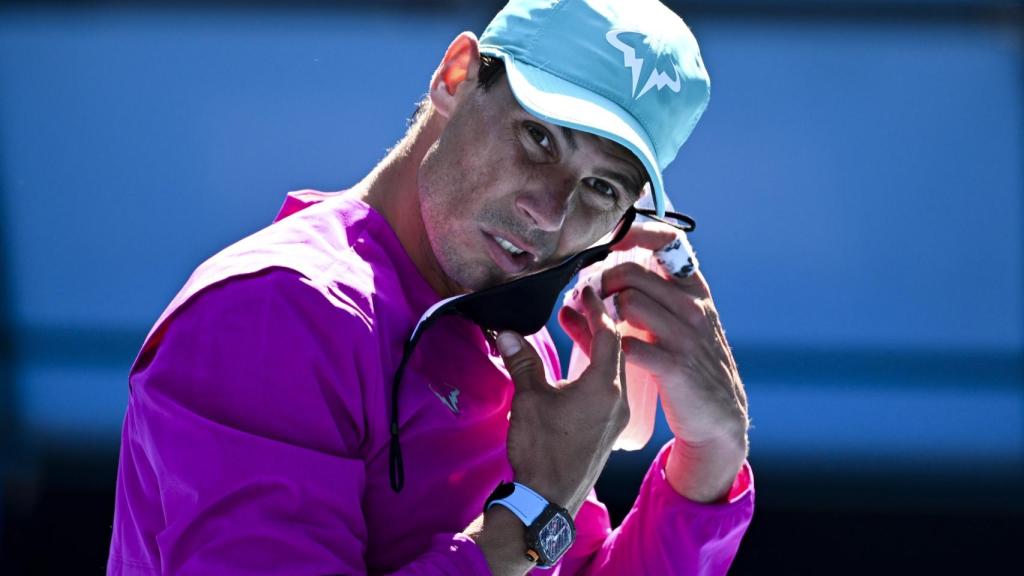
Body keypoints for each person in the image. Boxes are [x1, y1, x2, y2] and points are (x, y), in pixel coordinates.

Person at [106, 0, 754, 574]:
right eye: (540, 138)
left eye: (601, 188)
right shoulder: (274, 312)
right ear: (457, 76)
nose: (551, 213)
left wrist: (709, 461)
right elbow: (530, 537)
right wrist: (528, 518)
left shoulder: (513, 347)